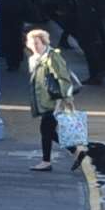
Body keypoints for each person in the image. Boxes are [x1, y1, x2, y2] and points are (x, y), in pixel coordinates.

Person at [26, 29, 74, 172]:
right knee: (49, 132)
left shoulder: (52, 57)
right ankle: (77, 152)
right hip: (44, 102)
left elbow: (63, 78)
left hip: (54, 102)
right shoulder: (34, 59)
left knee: (46, 131)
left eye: (38, 43)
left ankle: (46, 162)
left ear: (44, 43)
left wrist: (65, 100)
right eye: (32, 43)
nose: (35, 46)